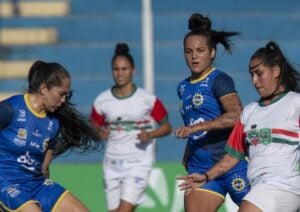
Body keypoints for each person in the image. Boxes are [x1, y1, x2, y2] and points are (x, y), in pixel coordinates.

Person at [178, 41, 300, 212]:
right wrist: (206, 176)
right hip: (259, 188)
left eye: (259, 74)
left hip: (283, 186)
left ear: (276, 71)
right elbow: (231, 157)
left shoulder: (295, 103)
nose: (254, 81)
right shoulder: (249, 112)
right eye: (251, 75)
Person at [0, 60, 102, 212]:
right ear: (44, 88)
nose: (63, 101)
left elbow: (44, 168)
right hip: (6, 182)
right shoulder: (10, 109)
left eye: (66, 96)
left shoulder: (53, 123)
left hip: (36, 184)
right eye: (61, 94)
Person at [174, 13, 250, 212]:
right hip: (201, 168)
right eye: (188, 51)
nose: (194, 56)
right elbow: (196, 123)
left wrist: (194, 129)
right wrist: (189, 151)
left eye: (200, 50)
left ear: (212, 52)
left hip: (232, 163)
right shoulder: (182, 88)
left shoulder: (219, 80)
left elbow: (236, 115)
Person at [89, 43, 172, 212]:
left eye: (124, 69)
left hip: (138, 162)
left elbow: (167, 127)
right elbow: (93, 126)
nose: (120, 73)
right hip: (111, 163)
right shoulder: (102, 100)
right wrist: (99, 132)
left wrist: (150, 135)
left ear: (133, 70)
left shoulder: (147, 99)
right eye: (116, 69)